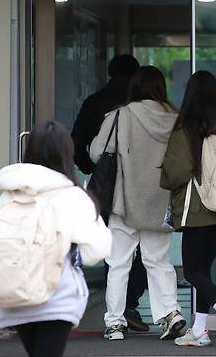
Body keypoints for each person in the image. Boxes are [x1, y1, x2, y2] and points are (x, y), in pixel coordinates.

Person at [0, 120, 112, 357]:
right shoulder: (72, 195)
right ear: (66, 153)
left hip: (14, 296)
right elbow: (96, 251)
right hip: (56, 296)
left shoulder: (9, 192)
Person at [90, 66, 186, 341]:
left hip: (124, 202)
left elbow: (98, 151)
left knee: (119, 263)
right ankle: (171, 313)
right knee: (158, 262)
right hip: (159, 201)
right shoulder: (176, 119)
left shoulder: (121, 115)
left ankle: (116, 323)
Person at [161, 70, 216, 349]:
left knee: (193, 272)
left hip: (198, 210)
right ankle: (199, 331)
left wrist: (164, 176)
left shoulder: (186, 128)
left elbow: (176, 173)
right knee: (204, 271)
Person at [70, 53, 149, 332]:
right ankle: (130, 304)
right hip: (143, 184)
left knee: (114, 249)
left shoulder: (95, 102)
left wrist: (90, 168)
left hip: (108, 184)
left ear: (110, 73)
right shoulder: (144, 105)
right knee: (144, 248)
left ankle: (117, 308)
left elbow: (79, 141)